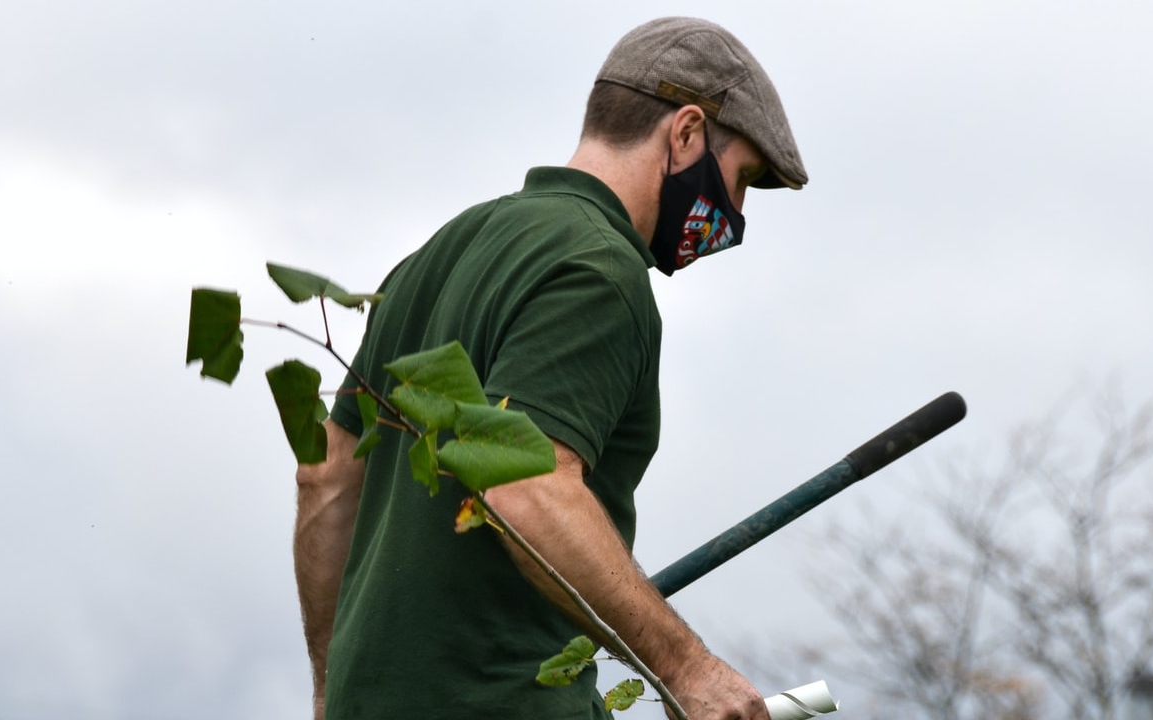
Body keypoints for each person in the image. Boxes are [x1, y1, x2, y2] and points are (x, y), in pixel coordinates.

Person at [293, 17, 808, 720]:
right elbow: (529, 486)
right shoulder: (600, 269)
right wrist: (687, 668)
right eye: (742, 177)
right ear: (686, 134)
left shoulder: (439, 253)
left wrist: (330, 689)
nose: (737, 212)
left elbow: (325, 476)